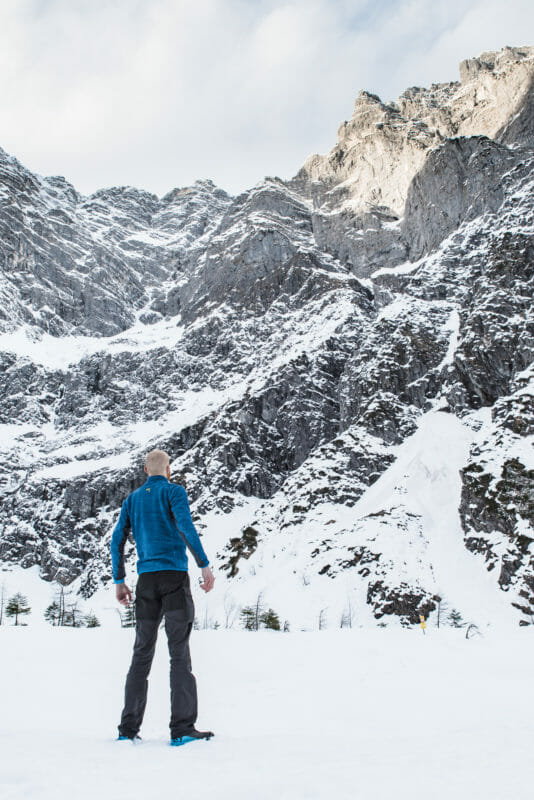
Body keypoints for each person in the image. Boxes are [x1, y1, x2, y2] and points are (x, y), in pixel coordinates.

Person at [110, 449, 215, 746]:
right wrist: (204, 565)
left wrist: (119, 581)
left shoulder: (132, 500)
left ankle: (127, 730)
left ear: (146, 470)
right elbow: (185, 526)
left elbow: (117, 540)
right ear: (168, 469)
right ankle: (182, 729)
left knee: (141, 653)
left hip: (146, 583)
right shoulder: (174, 492)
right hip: (174, 579)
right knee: (178, 652)